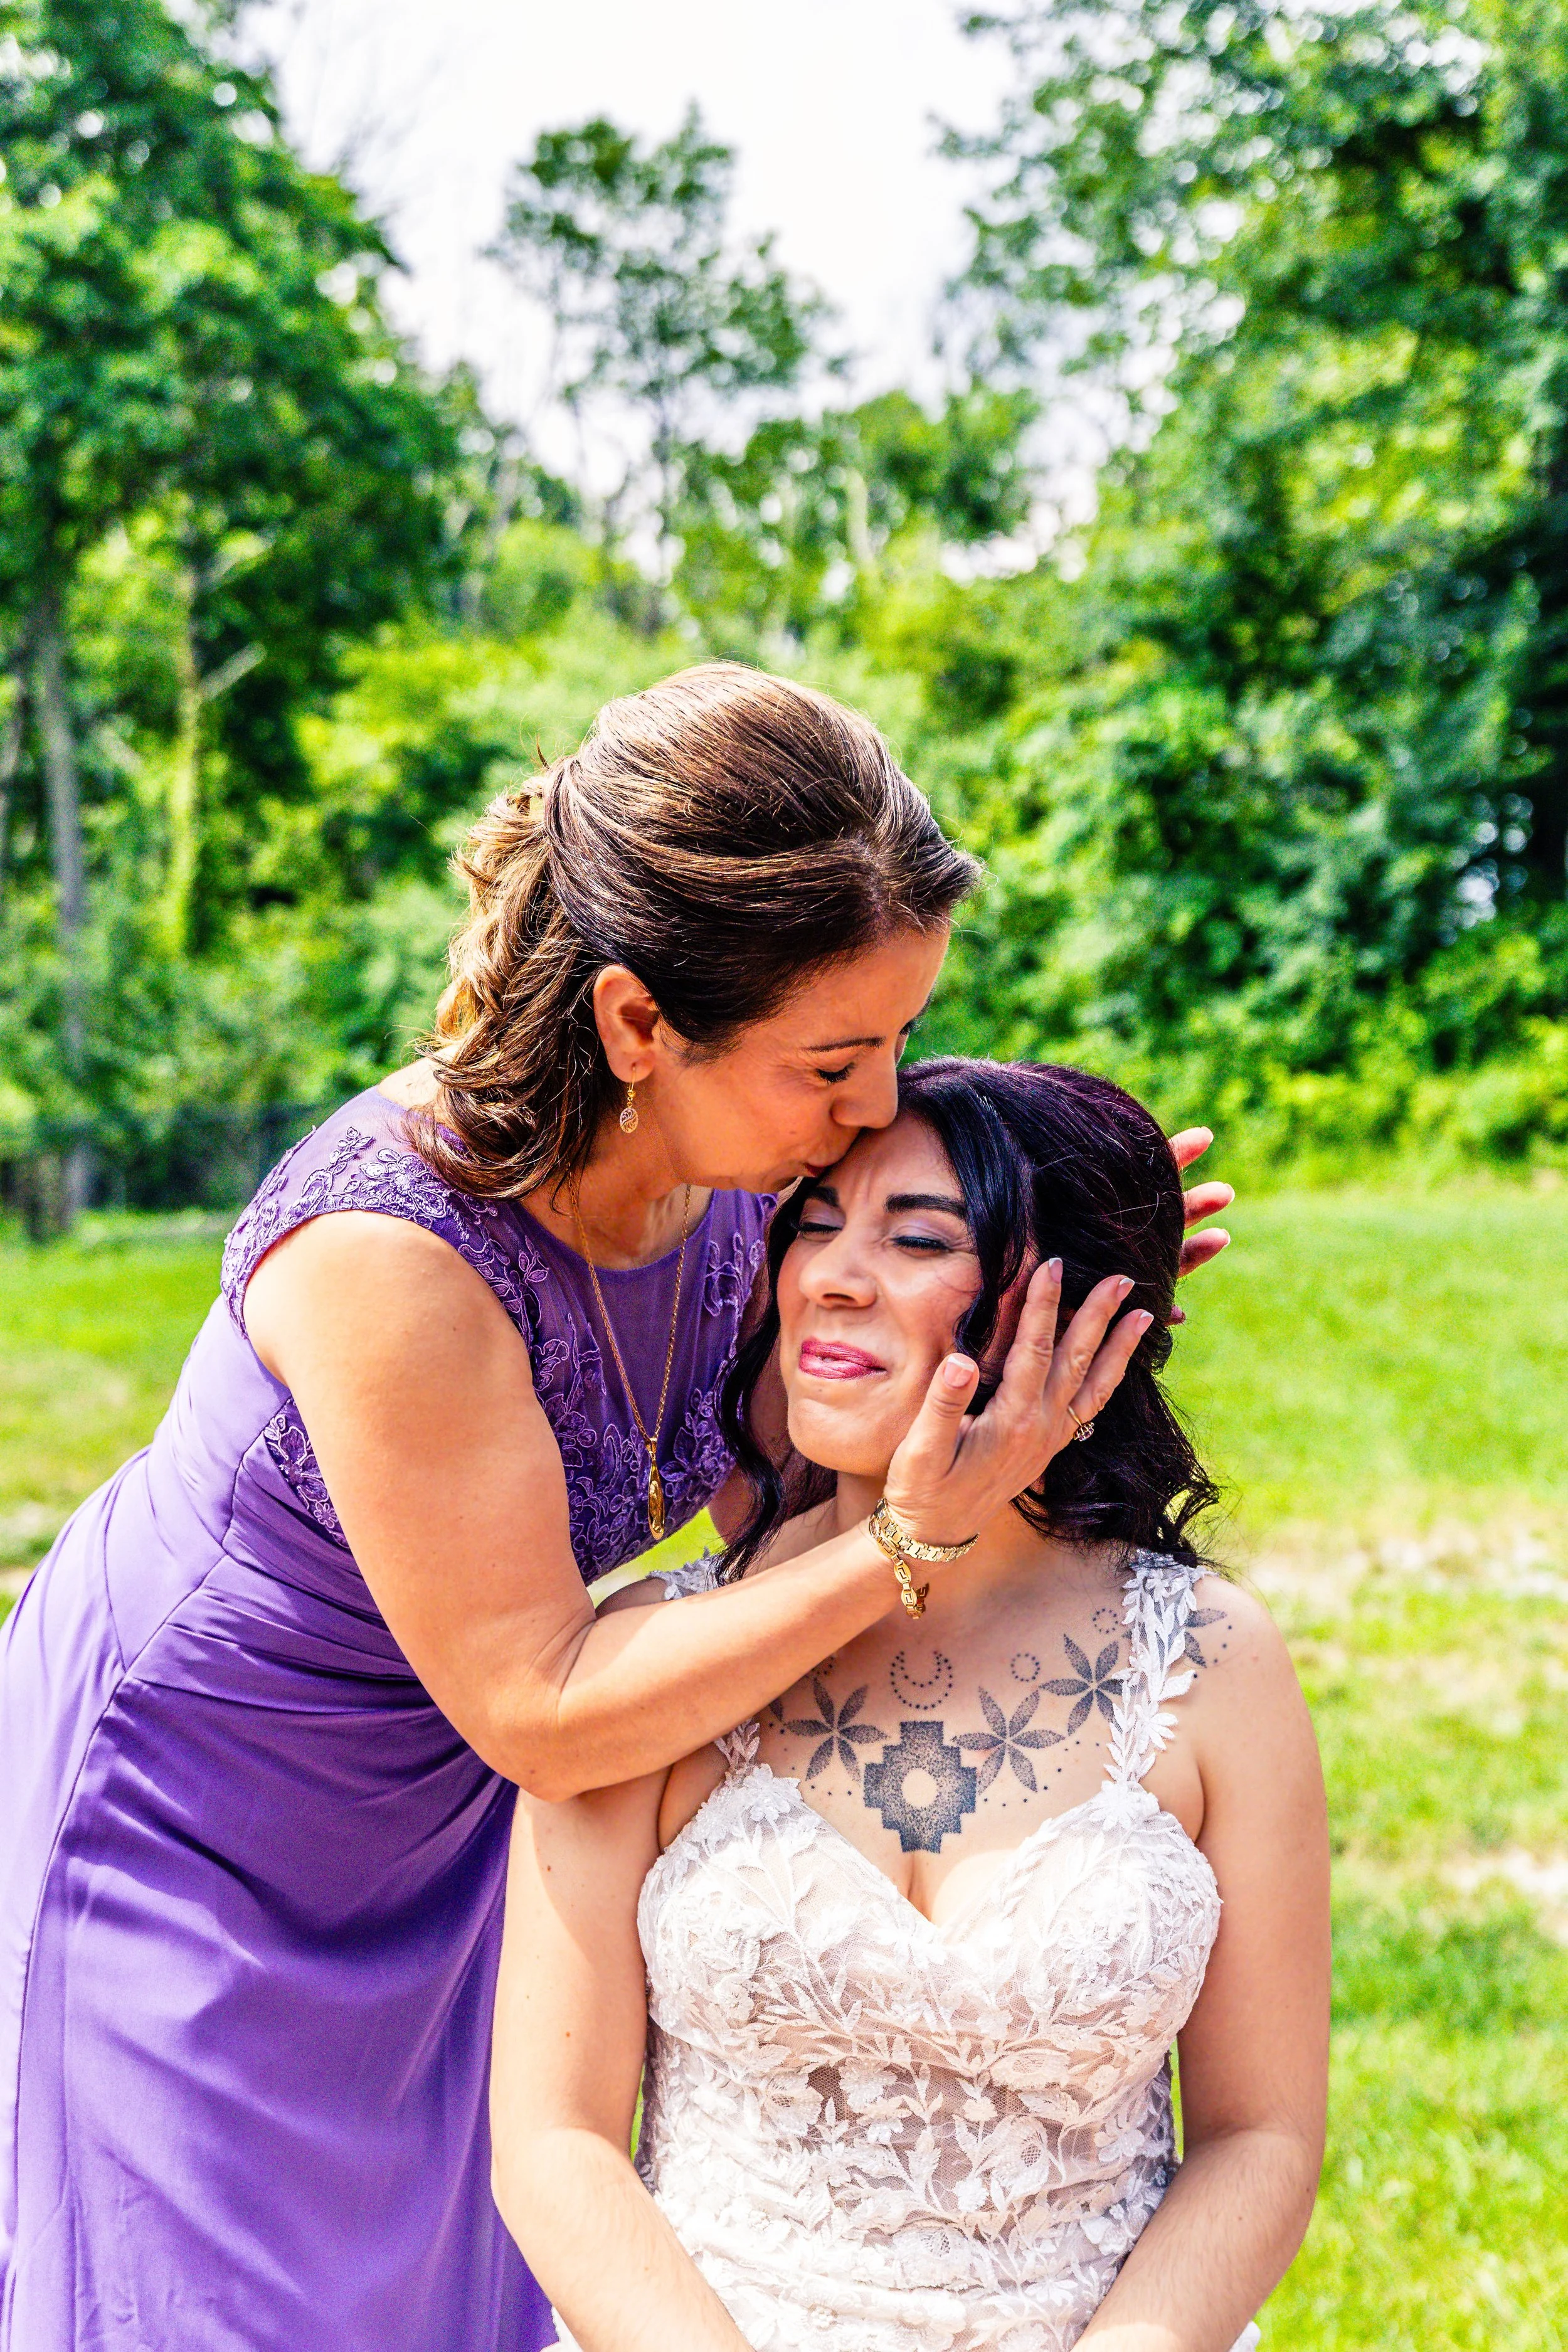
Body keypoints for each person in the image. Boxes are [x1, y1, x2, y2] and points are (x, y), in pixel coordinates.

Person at [0, 667, 1231, 2351]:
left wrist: (1039, 1291)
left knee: (444, 2290)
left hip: (474, 1803)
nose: (876, 1109)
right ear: (638, 1024)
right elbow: (544, 1705)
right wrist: (908, 1545)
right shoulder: (393, 1255)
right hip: (212, 1812)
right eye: (833, 1059)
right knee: (227, 2297)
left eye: (899, 1041)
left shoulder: (742, 1174)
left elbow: (773, 1488)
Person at [490, 1056, 1328, 2352]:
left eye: (920, 1238)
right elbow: (553, 2141)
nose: (830, 1275)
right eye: (813, 1224)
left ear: (1072, 1313)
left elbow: (1258, 2136)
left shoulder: (1210, 1658)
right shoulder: (650, 1660)